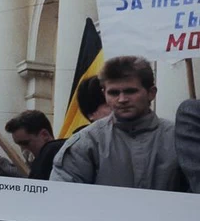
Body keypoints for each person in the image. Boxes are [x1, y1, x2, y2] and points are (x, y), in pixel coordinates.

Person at [48, 56, 187, 190]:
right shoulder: (86, 142)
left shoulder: (179, 140)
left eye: (130, 91)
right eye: (114, 93)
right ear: (104, 94)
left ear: (151, 92)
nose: (122, 99)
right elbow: (63, 196)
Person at [4, 109, 63, 180]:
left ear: (45, 135)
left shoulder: (65, 163)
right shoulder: (38, 166)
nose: (24, 150)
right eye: (20, 145)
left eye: (26, 143)